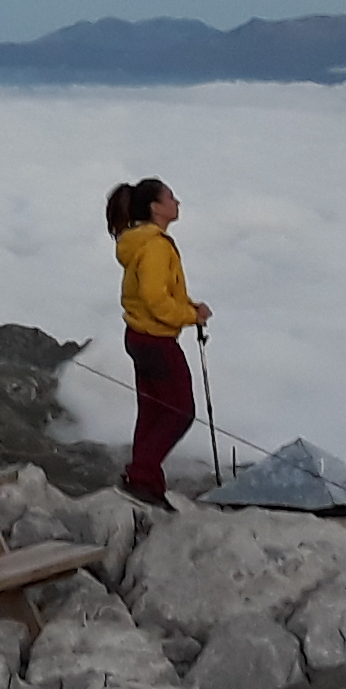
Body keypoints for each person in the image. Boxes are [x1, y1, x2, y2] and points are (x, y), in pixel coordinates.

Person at [106, 177, 210, 509]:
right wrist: (190, 315)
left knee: (153, 412)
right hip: (157, 339)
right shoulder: (155, 246)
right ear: (155, 207)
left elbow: (156, 294)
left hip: (139, 337)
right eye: (170, 197)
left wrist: (189, 307)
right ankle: (141, 475)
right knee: (180, 412)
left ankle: (147, 483)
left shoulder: (139, 242)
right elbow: (155, 299)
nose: (177, 202)